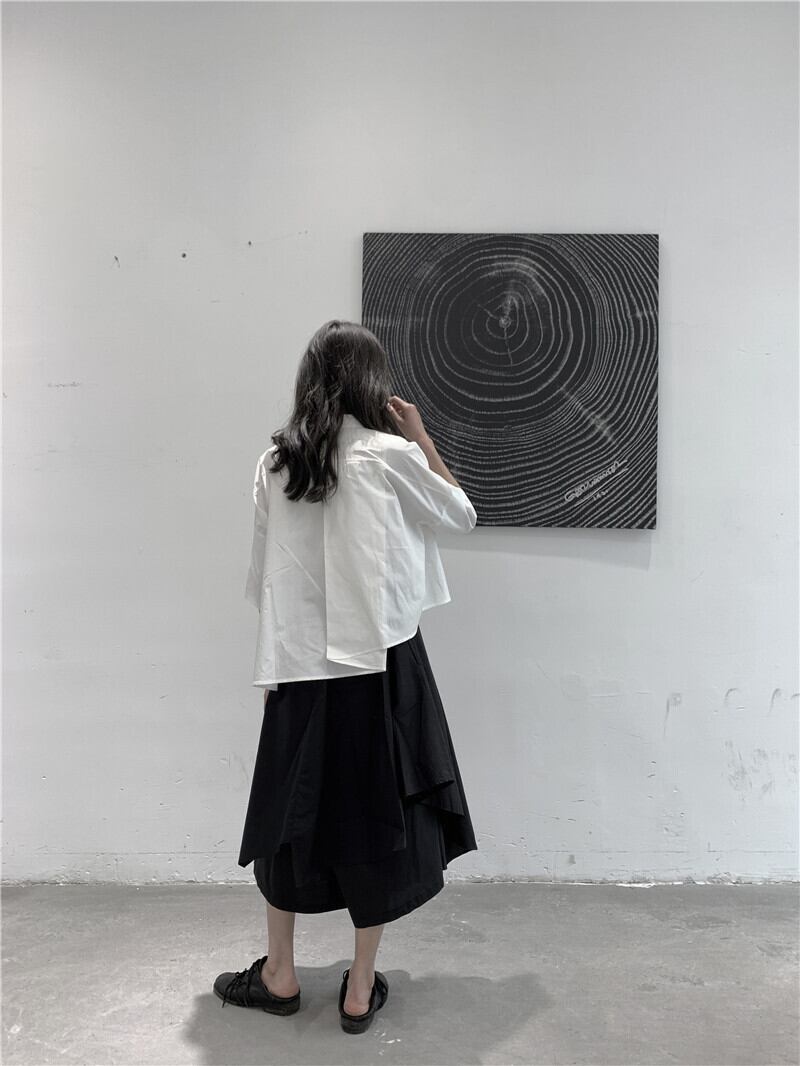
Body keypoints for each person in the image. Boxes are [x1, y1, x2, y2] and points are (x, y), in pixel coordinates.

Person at [213, 319, 478, 1034]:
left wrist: (274, 663)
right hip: (382, 663)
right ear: (372, 383)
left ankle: (280, 973)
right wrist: (421, 436)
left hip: (298, 666)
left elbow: (264, 572)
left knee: (287, 812)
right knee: (377, 816)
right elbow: (461, 513)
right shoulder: (390, 455)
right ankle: (359, 987)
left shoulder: (276, 462)